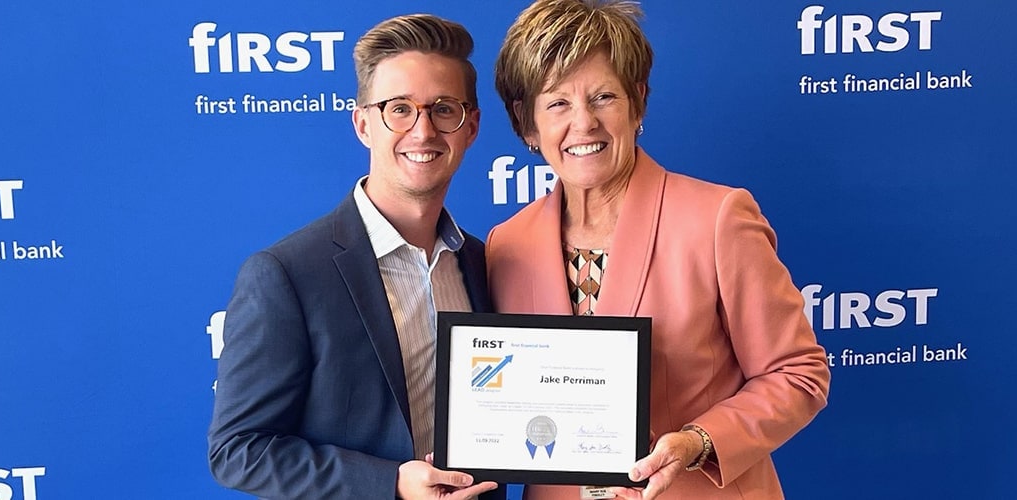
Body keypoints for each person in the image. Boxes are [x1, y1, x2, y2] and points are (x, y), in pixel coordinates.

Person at [488, 1, 831, 498]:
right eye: (557, 103)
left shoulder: (718, 219)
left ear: (638, 102)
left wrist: (699, 440)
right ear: (527, 123)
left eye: (603, 96)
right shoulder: (507, 244)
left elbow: (798, 374)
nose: (583, 123)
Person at [207, 13, 502, 500]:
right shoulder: (287, 274)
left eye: (443, 109)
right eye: (399, 109)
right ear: (364, 124)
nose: (423, 130)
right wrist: (390, 484)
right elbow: (237, 449)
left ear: (470, 127)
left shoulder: (481, 262)